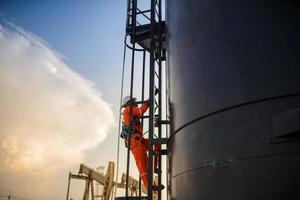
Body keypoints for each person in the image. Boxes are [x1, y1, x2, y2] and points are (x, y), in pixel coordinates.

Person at [121, 95, 161, 189]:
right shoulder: (128, 109)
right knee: (142, 164)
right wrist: (147, 103)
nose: (136, 102)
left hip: (139, 138)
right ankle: (149, 187)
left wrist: (146, 103)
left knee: (156, 144)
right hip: (134, 141)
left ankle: (155, 167)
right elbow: (140, 111)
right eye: (134, 101)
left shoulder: (130, 111)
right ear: (129, 102)